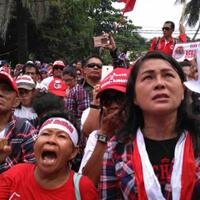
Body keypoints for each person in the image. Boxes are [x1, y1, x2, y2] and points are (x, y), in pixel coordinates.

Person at [99, 51, 200, 199]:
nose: (159, 83)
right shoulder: (116, 148)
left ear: (183, 91)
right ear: (134, 97)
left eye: (168, 75)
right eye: (148, 77)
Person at [0, 112, 98, 199]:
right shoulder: (15, 175)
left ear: (73, 152)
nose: (51, 140)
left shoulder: (83, 188)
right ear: (34, 145)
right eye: (46, 134)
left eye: (61, 136)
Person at [79, 68, 129, 186]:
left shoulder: (146, 132)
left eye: (120, 98)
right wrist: (105, 134)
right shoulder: (96, 136)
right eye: (107, 100)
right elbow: (87, 183)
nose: (114, 105)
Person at [0, 71, 36, 173]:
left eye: (6, 90)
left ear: (16, 101)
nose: (0, 93)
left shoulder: (25, 129)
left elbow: (30, 172)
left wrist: (2, 162)